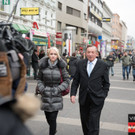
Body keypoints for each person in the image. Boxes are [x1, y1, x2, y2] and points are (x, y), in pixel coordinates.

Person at [70, 45, 110, 135]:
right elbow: (76, 80)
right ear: (85, 53)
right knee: (84, 121)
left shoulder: (103, 65)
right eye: (88, 52)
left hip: (97, 98)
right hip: (84, 98)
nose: (90, 54)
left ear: (96, 54)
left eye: (92, 52)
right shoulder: (80, 63)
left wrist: (103, 95)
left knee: (93, 121)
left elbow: (106, 83)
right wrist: (73, 94)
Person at [37, 47, 70, 135]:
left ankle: (52, 132)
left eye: (55, 54)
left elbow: (67, 80)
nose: (53, 56)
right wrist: (42, 88)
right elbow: (39, 79)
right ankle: (53, 128)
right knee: (48, 118)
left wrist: (58, 89)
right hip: (45, 95)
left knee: (52, 118)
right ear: (48, 55)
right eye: (51, 54)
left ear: (57, 55)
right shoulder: (43, 66)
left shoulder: (61, 66)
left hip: (56, 95)